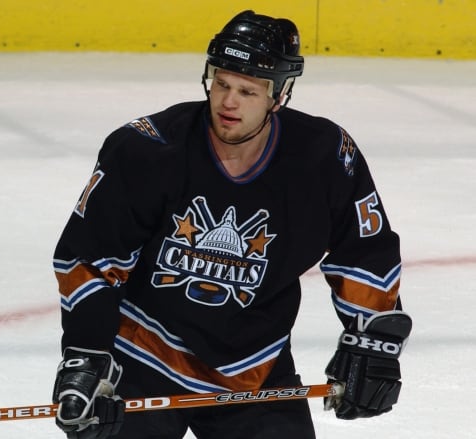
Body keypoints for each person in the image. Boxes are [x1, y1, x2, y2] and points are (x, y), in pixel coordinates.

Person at [51, 10, 412, 439]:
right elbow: (90, 259)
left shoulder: (324, 158)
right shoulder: (147, 148)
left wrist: (369, 340)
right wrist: (87, 356)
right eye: (221, 83)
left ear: (279, 95)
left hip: (253, 364)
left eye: (247, 90)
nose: (228, 102)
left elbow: (366, 251)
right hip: (143, 354)